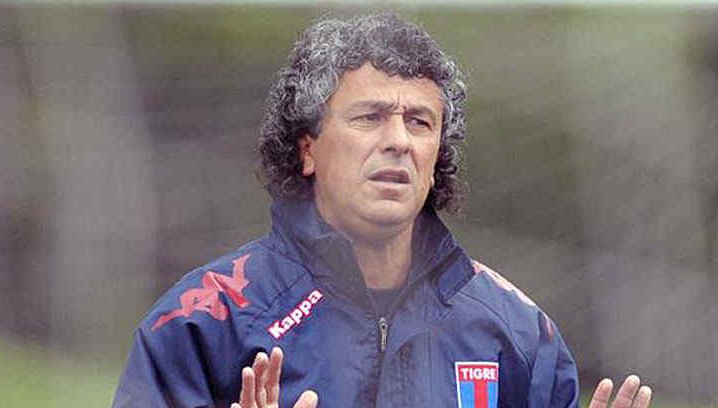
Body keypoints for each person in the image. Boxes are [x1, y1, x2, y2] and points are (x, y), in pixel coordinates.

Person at [113, 13, 652, 408]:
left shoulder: (519, 336)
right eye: (369, 117)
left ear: (438, 156)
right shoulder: (201, 325)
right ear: (307, 148)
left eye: (419, 122)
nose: (398, 141)